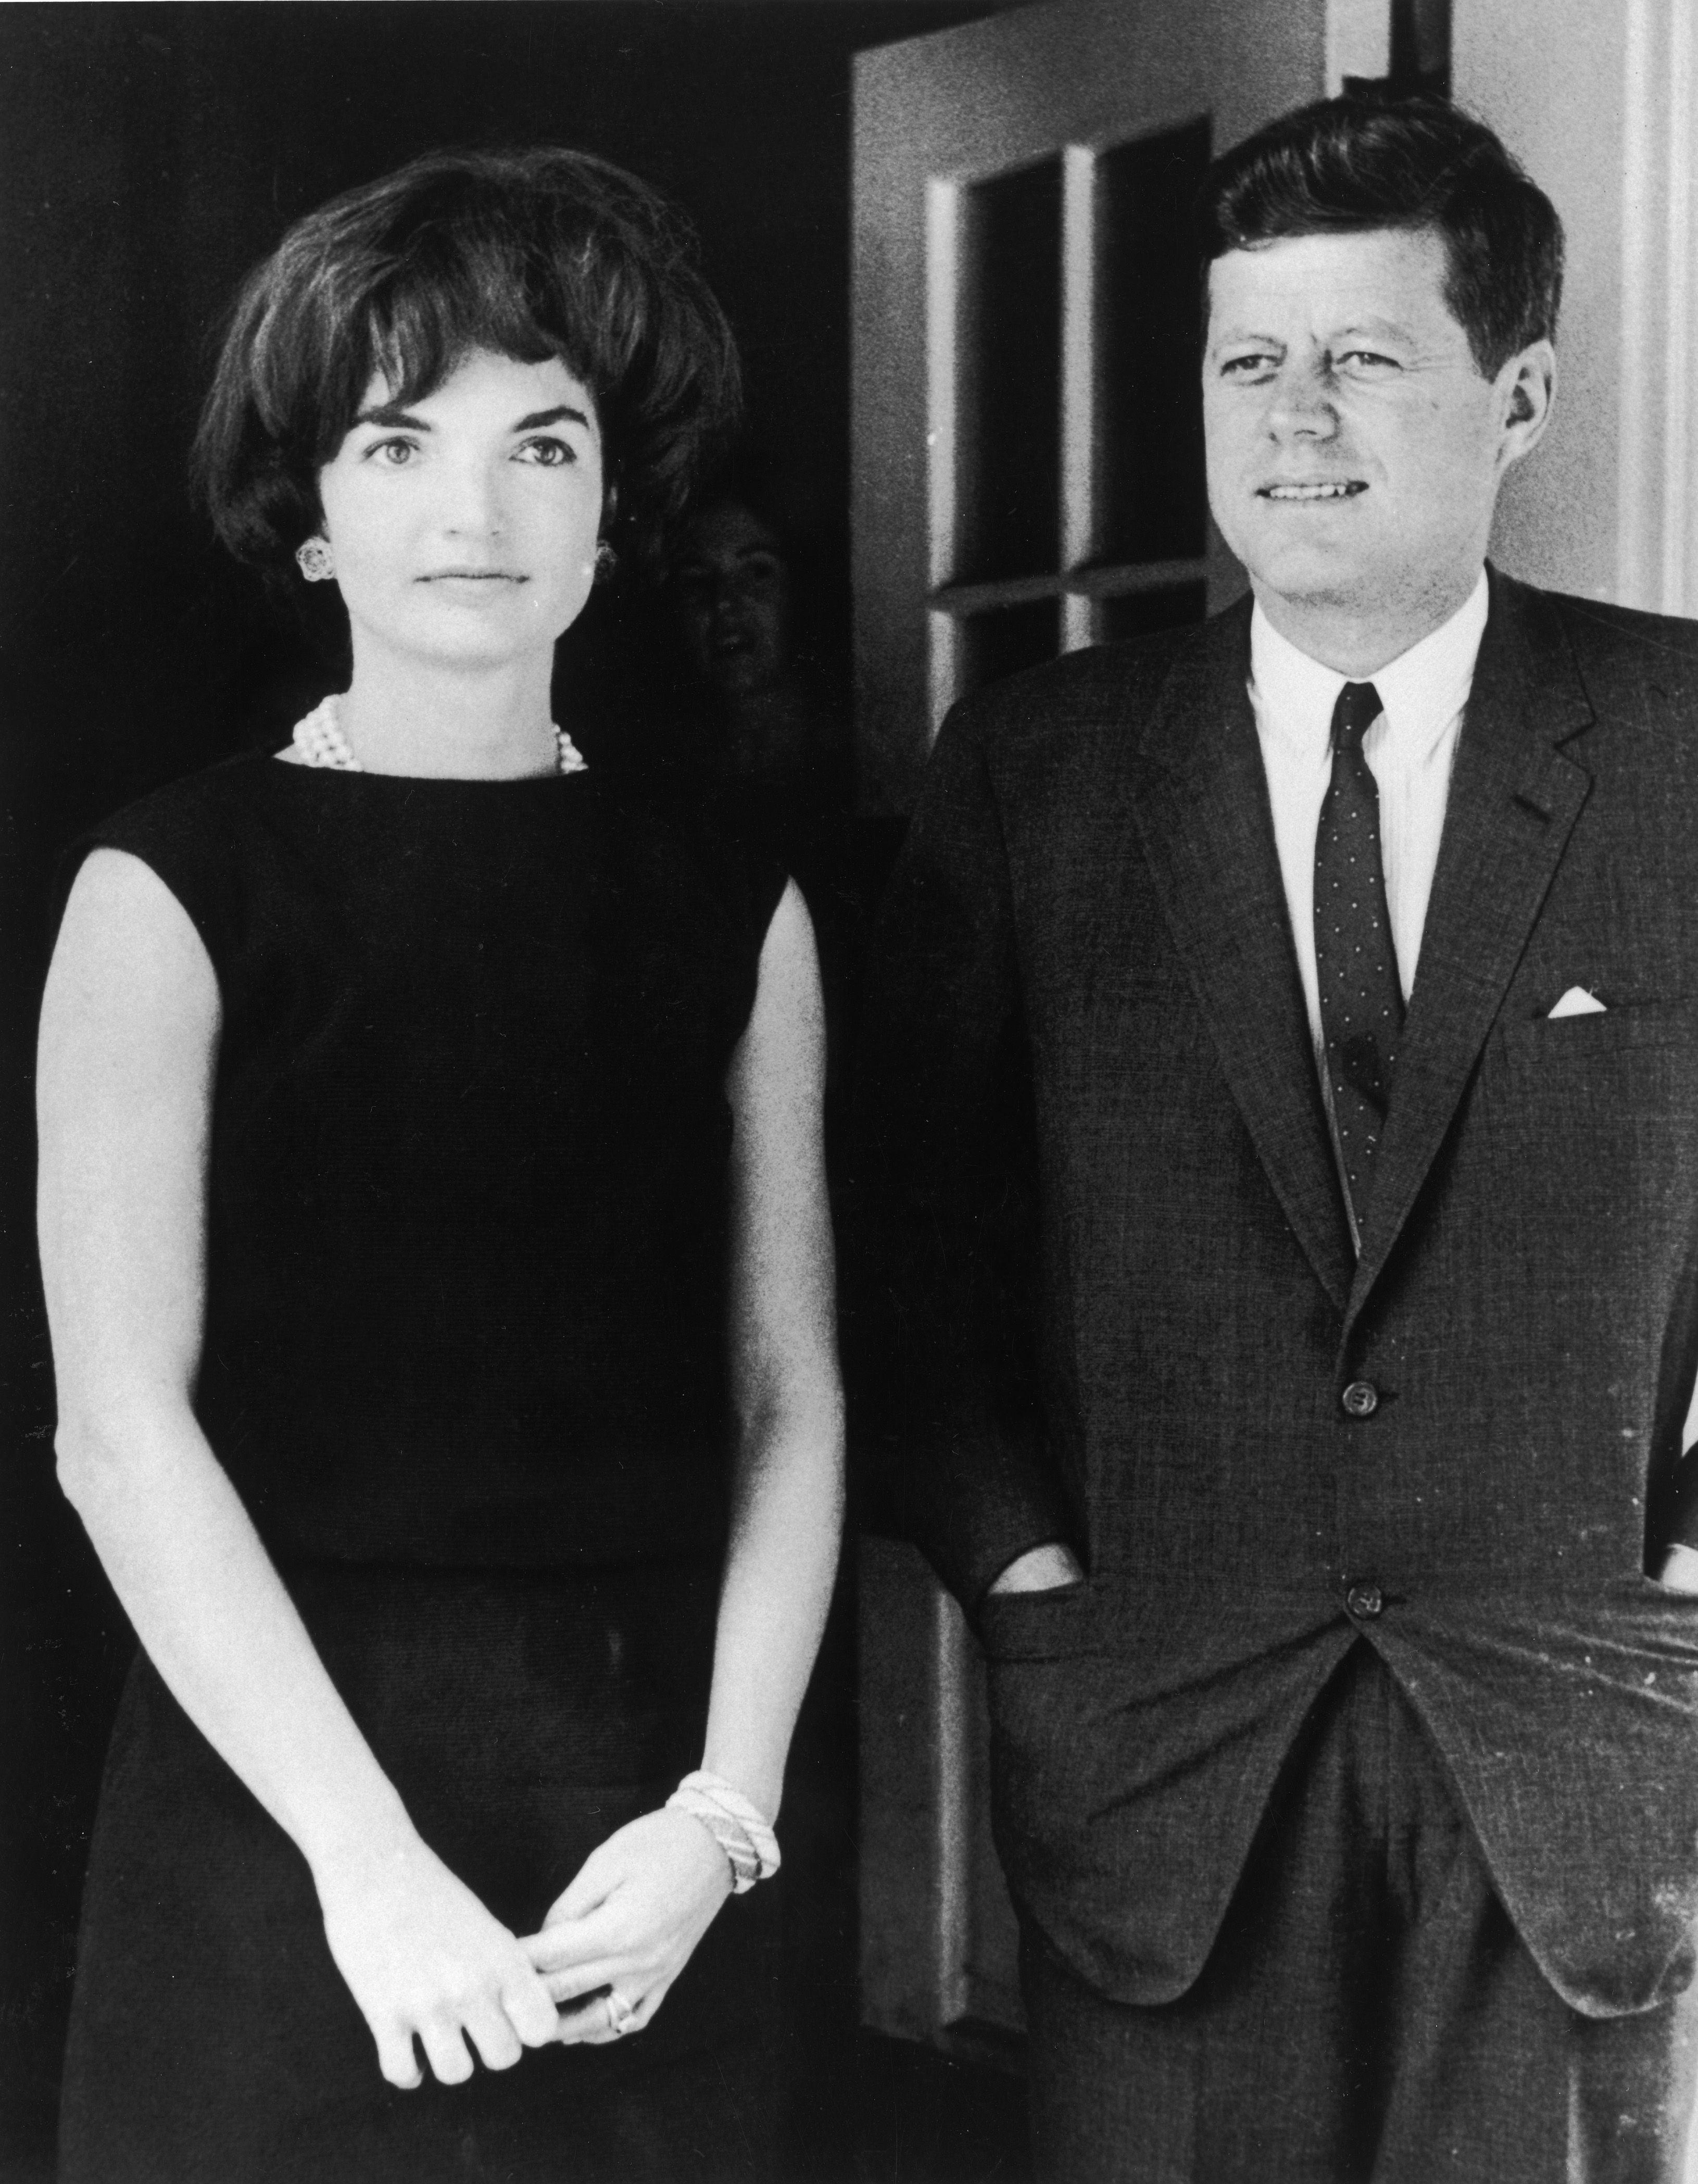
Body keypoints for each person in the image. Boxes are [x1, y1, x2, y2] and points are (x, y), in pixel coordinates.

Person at [860, 94, 1698, 2180]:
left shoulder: (1687, 747)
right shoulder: (1040, 774)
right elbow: (904, 1265)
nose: (1294, 418)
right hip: (1159, 1769)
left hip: (1575, 1765)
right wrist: (1031, 1585)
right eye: (1252, 361)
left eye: (1365, 359)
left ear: (1517, 397)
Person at [35, 146, 843, 2184]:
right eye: (400, 443)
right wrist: (368, 1866)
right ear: (309, 512)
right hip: (282, 1797)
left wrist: (722, 1816)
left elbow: (792, 1396)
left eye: (541, 444)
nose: (472, 514)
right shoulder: (172, 883)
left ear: (612, 505)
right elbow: (120, 1431)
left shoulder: (731, 896)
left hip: (645, 1813)